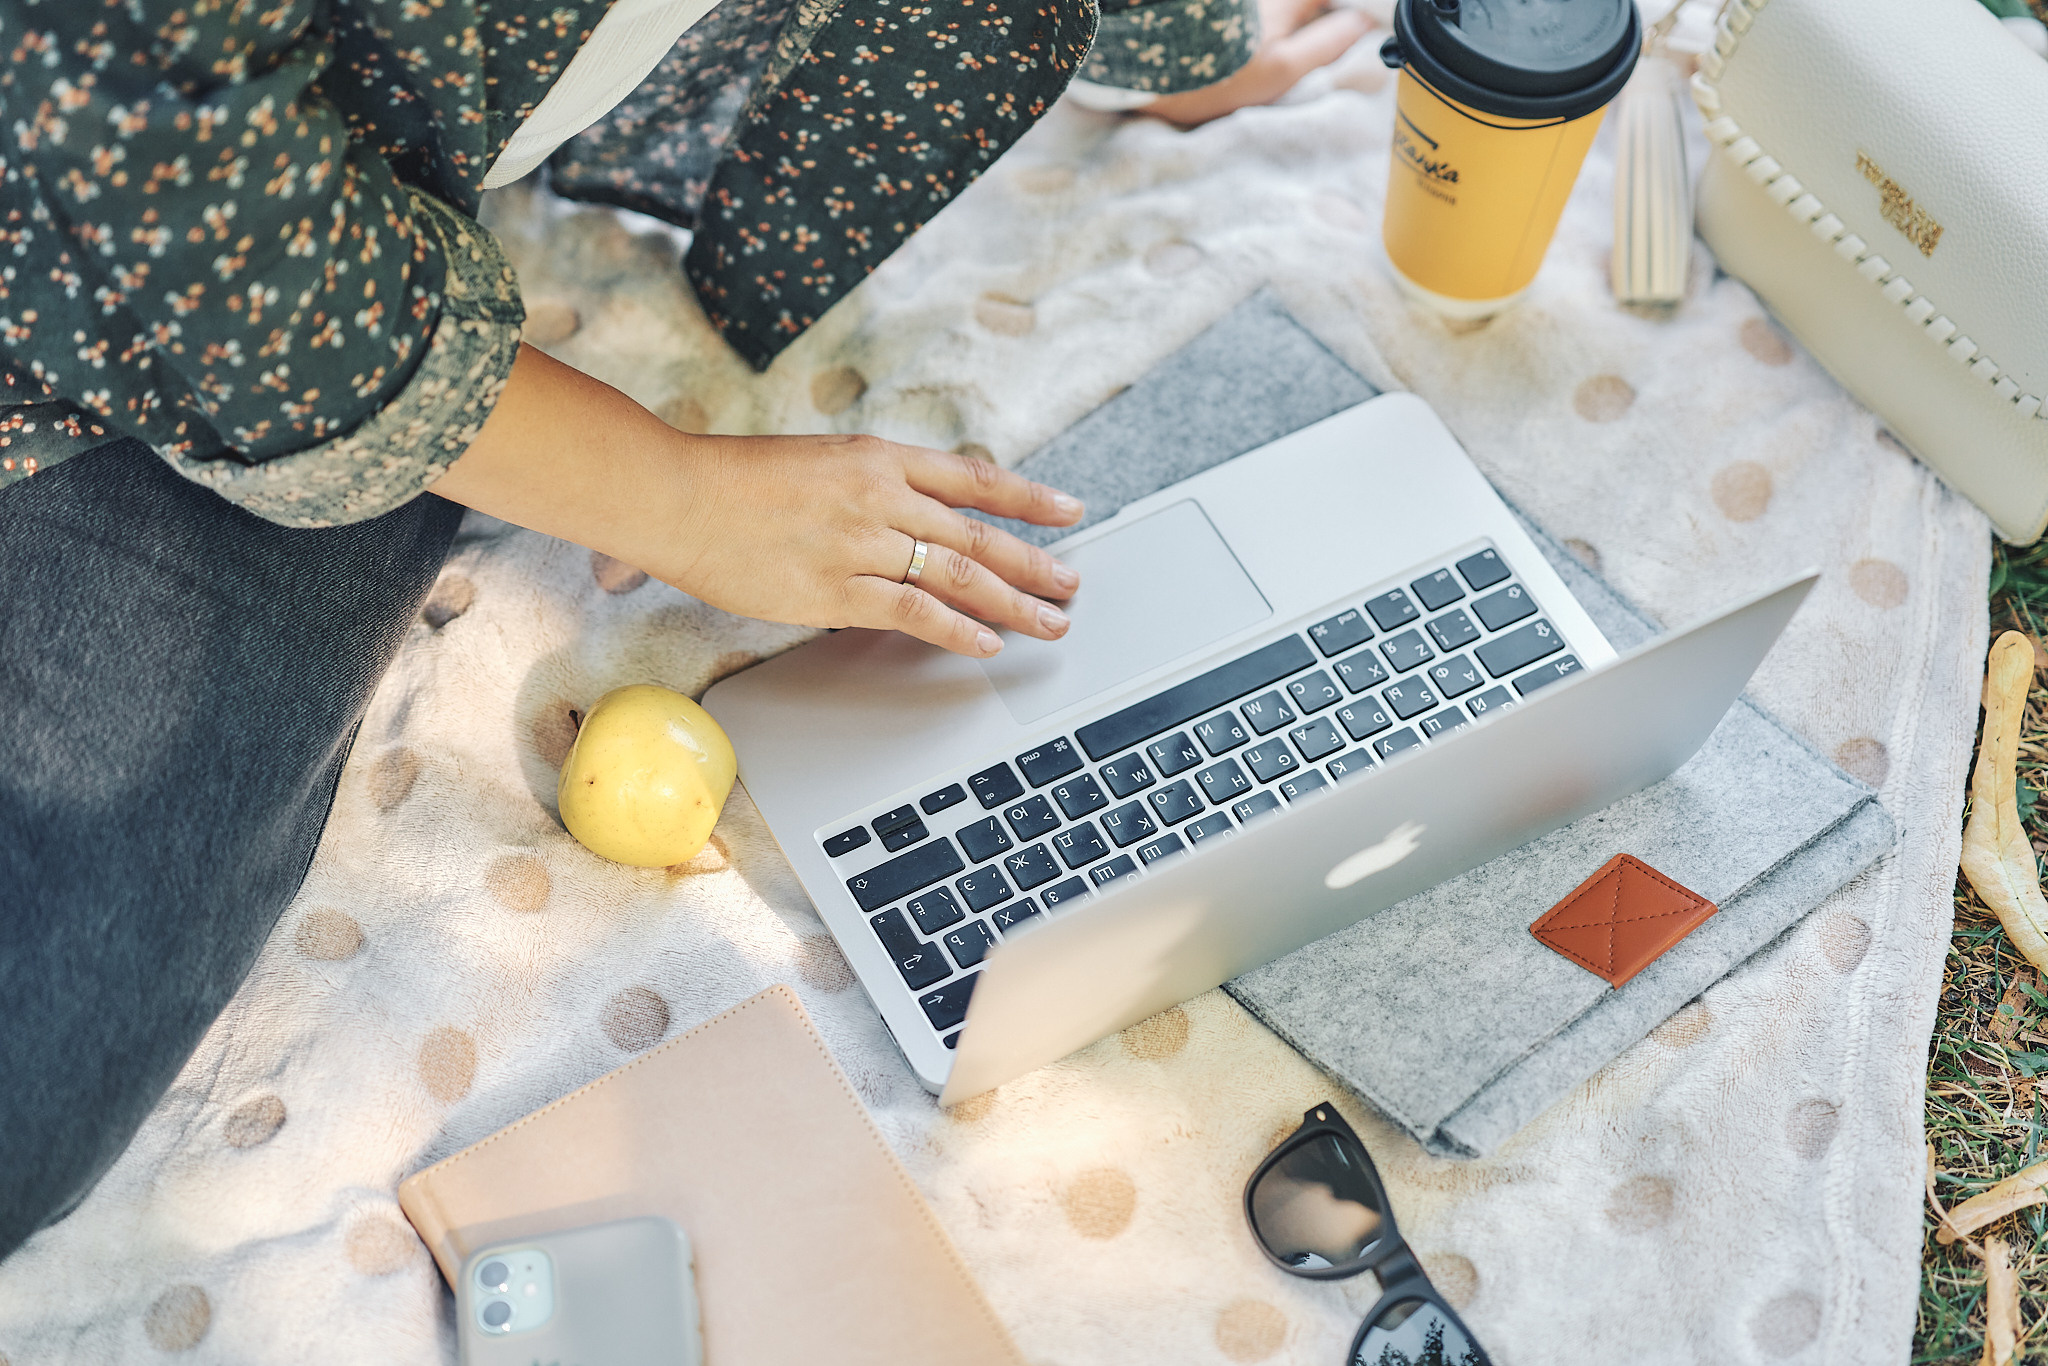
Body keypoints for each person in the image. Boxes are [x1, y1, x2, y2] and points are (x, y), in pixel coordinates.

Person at [0, 0, 1371, 1260]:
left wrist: (1176, 40)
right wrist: (667, 495)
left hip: (365, 200)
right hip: (112, 259)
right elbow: (174, 188)